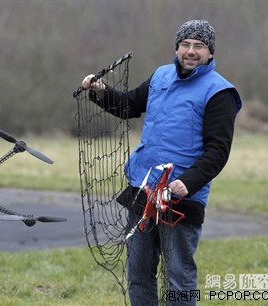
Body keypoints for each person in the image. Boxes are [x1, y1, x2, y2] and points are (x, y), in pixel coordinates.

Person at [81, 20, 242, 305]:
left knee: (179, 278)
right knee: (138, 274)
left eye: (199, 46)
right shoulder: (161, 76)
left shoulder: (220, 92)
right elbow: (129, 105)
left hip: (180, 198)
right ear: (177, 48)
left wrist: (188, 183)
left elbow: (218, 151)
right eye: (186, 45)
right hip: (142, 191)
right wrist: (101, 91)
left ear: (211, 53)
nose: (191, 51)